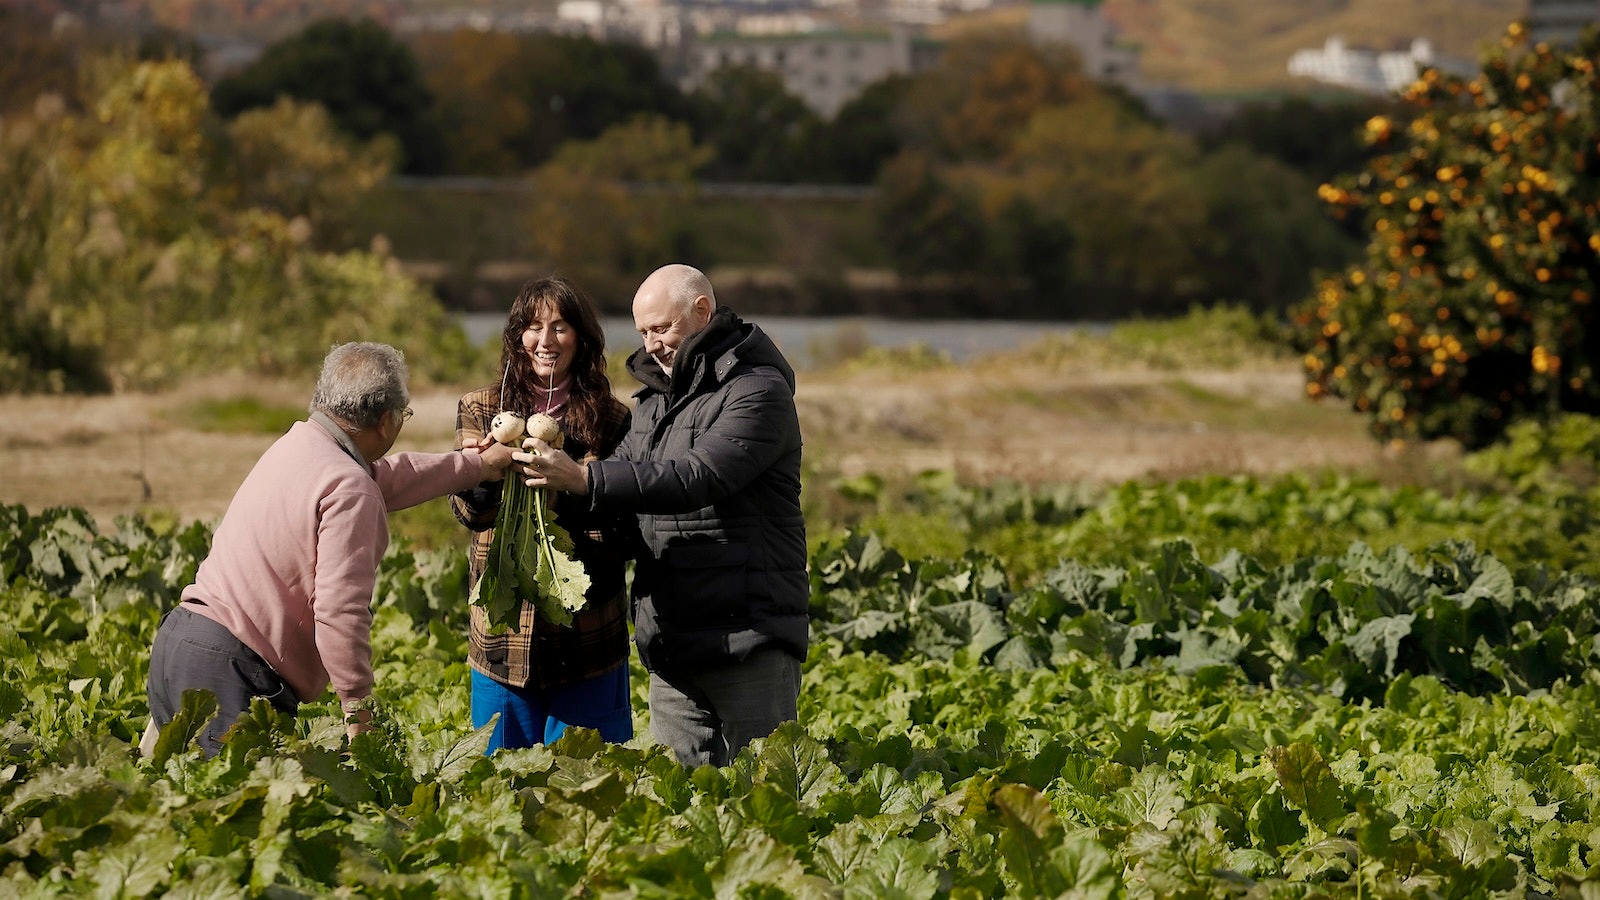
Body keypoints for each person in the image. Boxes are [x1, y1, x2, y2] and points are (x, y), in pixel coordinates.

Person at [143, 341, 515, 758]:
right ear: (387, 420)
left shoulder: (299, 446)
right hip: (227, 672)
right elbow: (339, 610)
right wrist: (358, 711)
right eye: (404, 415)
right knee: (236, 814)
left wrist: (478, 465)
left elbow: (388, 477)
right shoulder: (349, 487)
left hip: (179, 645)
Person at [521, 263, 807, 767]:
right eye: (643, 332)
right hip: (671, 640)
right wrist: (525, 482)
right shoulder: (654, 402)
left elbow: (699, 477)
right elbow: (619, 483)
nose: (651, 344)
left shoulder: (758, 390)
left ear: (701, 311)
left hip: (746, 637)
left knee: (764, 800)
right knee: (680, 807)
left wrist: (583, 478)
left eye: (661, 328)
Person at [452, 276, 635, 752]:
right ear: (517, 336)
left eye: (560, 327)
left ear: (582, 338)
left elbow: (622, 524)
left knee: (585, 786)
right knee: (498, 783)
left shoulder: (612, 419)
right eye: (533, 327)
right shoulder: (482, 408)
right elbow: (472, 517)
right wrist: (480, 476)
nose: (546, 340)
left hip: (586, 638)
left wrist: (572, 482)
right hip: (505, 639)